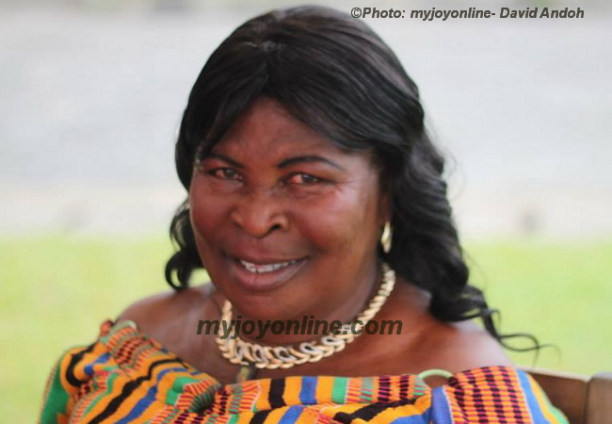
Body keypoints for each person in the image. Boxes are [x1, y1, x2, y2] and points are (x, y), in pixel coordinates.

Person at [39, 5, 567, 423]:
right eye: (224, 171)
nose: (255, 218)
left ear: (389, 189)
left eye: (305, 179)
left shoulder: (454, 397)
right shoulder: (138, 344)